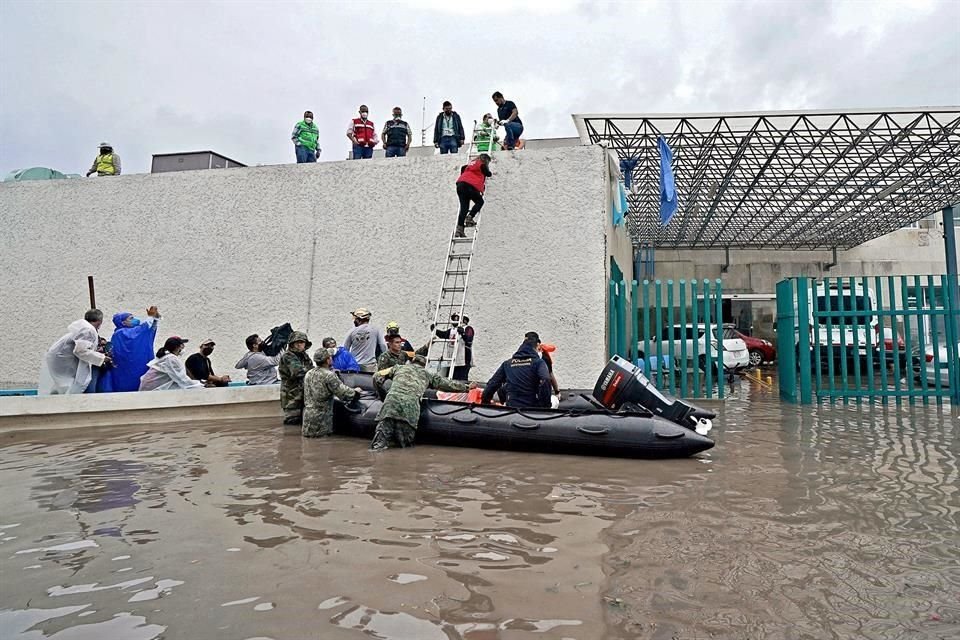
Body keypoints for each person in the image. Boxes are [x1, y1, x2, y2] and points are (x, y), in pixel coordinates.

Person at [370, 355, 475, 451]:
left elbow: (376, 376)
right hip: (409, 409)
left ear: (412, 362)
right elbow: (447, 384)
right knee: (404, 446)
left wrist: (382, 395)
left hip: (390, 405)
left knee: (378, 445)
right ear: (424, 365)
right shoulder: (427, 374)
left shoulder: (398, 368)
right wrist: (467, 387)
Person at [38, 309, 111, 395]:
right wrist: (102, 358)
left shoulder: (84, 327)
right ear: (100, 321)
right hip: (62, 361)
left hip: (59, 358)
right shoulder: (88, 330)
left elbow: (83, 346)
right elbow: (80, 351)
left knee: (64, 385)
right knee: (69, 385)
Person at [301, 349, 362, 438]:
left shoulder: (308, 373)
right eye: (330, 357)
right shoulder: (329, 375)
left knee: (309, 443)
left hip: (307, 418)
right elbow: (344, 393)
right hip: (321, 421)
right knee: (322, 444)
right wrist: (356, 392)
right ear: (327, 360)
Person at [481, 331, 551, 408]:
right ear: (537, 345)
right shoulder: (538, 362)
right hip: (531, 409)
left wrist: (485, 402)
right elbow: (546, 379)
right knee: (554, 400)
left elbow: (493, 383)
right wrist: (545, 406)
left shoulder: (507, 364)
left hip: (512, 408)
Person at [103, 306, 161, 392]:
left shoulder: (126, 332)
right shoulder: (120, 333)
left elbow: (148, 331)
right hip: (125, 370)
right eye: (131, 318)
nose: (135, 320)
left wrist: (155, 319)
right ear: (123, 322)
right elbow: (142, 330)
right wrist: (151, 318)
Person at [139, 337, 203, 391]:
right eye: (182, 345)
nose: (183, 347)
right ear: (177, 347)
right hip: (153, 390)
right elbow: (181, 379)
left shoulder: (165, 357)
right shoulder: (171, 359)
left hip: (148, 389)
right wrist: (200, 385)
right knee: (185, 389)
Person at [279, 331, 314, 425]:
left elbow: (311, 369)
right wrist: (315, 371)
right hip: (291, 397)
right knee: (292, 422)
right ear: (292, 344)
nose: (299, 345)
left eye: (301, 342)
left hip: (303, 395)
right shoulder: (288, 356)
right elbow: (297, 372)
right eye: (297, 342)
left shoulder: (304, 356)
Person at [455, 153, 492, 237]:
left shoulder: (469, 165)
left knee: (464, 208)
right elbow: (488, 174)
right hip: (470, 186)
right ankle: (470, 217)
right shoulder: (482, 165)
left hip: (460, 185)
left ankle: (459, 229)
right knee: (480, 202)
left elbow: (463, 168)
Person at [344, 308, 387, 373]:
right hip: (370, 366)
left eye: (355, 319)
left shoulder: (352, 332)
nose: (354, 321)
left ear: (359, 319)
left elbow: (345, 349)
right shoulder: (375, 330)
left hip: (355, 366)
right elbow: (383, 346)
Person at [433, 313, 474, 381]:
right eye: (454, 318)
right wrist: (435, 330)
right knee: (450, 379)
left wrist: (463, 333)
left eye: (457, 318)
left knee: (461, 380)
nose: (455, 320)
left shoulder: (468, 328)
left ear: (464, 320)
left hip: (463, 361)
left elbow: (469, 340)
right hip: (452, 360)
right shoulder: (452, 330)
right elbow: (443, 334)